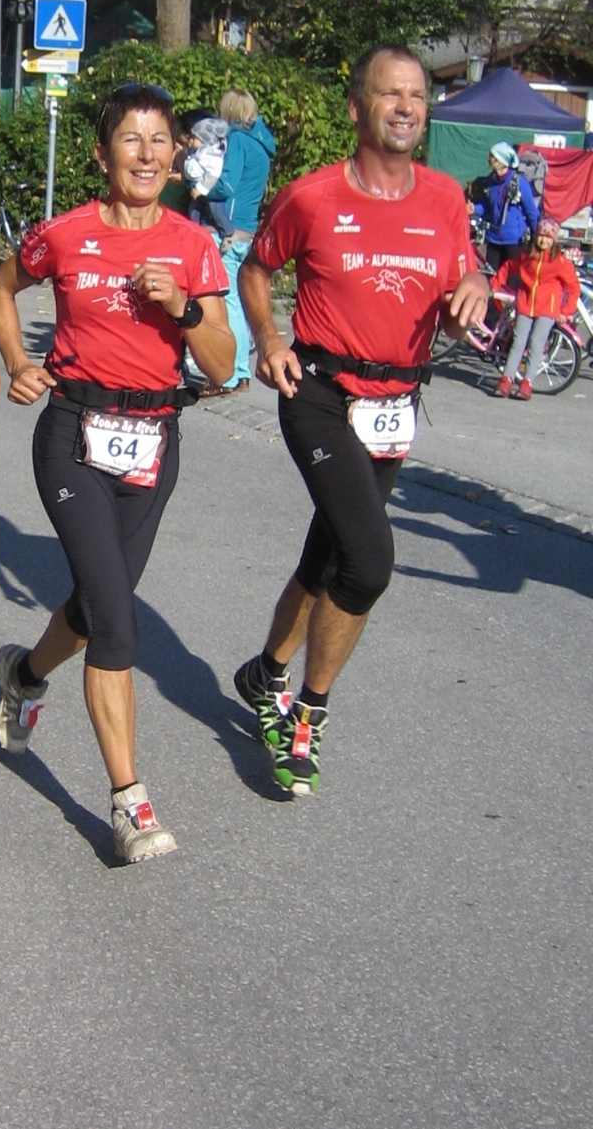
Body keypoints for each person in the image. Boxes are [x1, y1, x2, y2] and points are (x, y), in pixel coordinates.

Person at [0, 83, 235, 864]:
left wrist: (185, 312)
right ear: (102, 154)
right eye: (132, 139)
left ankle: (23, 673)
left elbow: (224, 366)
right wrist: (18, 362)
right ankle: (130, 802)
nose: (149, 153)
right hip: (72, 434)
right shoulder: (64, 234)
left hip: (155, 439)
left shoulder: (194, 245)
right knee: (116, 616)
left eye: (162, 140)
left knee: (98, 607)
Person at [234, 43, 488, 797]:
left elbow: (457, 278)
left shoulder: (445, 197)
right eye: (390, 94)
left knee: (330, 556)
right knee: (369, 561)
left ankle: (265, 671)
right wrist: (270, 340)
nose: (406, 106)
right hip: (318, 392)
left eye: (416, 95)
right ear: (358, 108)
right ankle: (304, 713)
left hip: (398, 404)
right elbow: (256, 268)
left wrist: (470, 285)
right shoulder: (311, 197)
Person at [201, 88, 276, 397]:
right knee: (237, 303)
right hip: (247, 227)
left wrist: (201, 187)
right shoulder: (262, 145)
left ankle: (229, 374)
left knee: (226, 301)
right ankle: (241, 372)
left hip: (227, 230)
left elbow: (227, 184)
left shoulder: (238, 140)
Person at [489, 215, 579, 399]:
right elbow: (508, 267)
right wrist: (495, 284)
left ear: (554, 240)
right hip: (526, 303)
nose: (543, 240)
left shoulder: (560, 263)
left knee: (537, 344)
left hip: (547, 307)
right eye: (541, 235)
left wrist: (566, 311)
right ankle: (506, 379)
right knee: (518, 342)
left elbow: (573, 287)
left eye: (548, 237)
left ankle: (527, 382)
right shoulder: (526, 257)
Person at [468, 141, 540, 271]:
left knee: (512, 282)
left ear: (501, 160)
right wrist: (475, 209)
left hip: (515, 242)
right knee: (491, 278)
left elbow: (531, 212)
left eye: (492, 156)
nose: (488, 159)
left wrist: (538, 237)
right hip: (493, 240)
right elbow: (488, 206)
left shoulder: (519, 182)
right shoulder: (490, 181)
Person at [182, 115, 235, 241]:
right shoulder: (199, 152)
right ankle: (195, 230)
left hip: (206, 189)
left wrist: (200, 189)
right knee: (194, 209)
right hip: (198, 188)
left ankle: (228, 231)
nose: (191, 141)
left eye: (194, 138)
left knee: (216, 209)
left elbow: (212, 175)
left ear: (204, 140)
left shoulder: (212, 156)